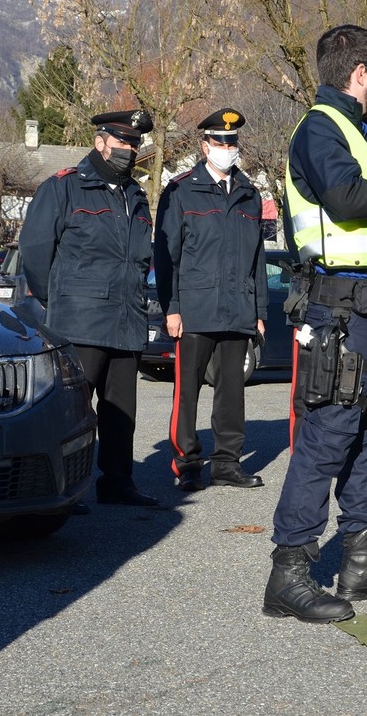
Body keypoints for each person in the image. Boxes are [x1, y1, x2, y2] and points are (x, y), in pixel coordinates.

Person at [264, 25, 367, 624]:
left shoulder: (358, 135)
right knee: (329, 436)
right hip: (340, 308)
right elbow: (349, 200)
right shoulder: (321, 128)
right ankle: (290, 572)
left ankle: (363, 561)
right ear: (361, 72)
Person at [20, 109, 158, 507]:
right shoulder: (65, 187)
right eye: (123, 142)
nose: (130, 150)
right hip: (80, 320)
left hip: (126, 318)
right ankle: (65, 487)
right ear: (100, 142)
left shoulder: (135, 194)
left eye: (134, 144)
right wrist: (58, 300)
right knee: (74, 412)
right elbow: (35, 250)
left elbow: (140, 258)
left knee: (120, 412)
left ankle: (118, 482)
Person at [154, 109, 267, 493]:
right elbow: (167, 256)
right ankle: (187, 463)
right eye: (220, 142)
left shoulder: (250, 194)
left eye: (232, 142)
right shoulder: (181, 190)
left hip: (238, 309)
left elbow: (258, 259)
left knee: (232, 392)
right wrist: (172, 307)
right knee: (187, 392)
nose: (227, 148)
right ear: (205, 146)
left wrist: (260, 312)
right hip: (195, 311)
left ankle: (227, 463)